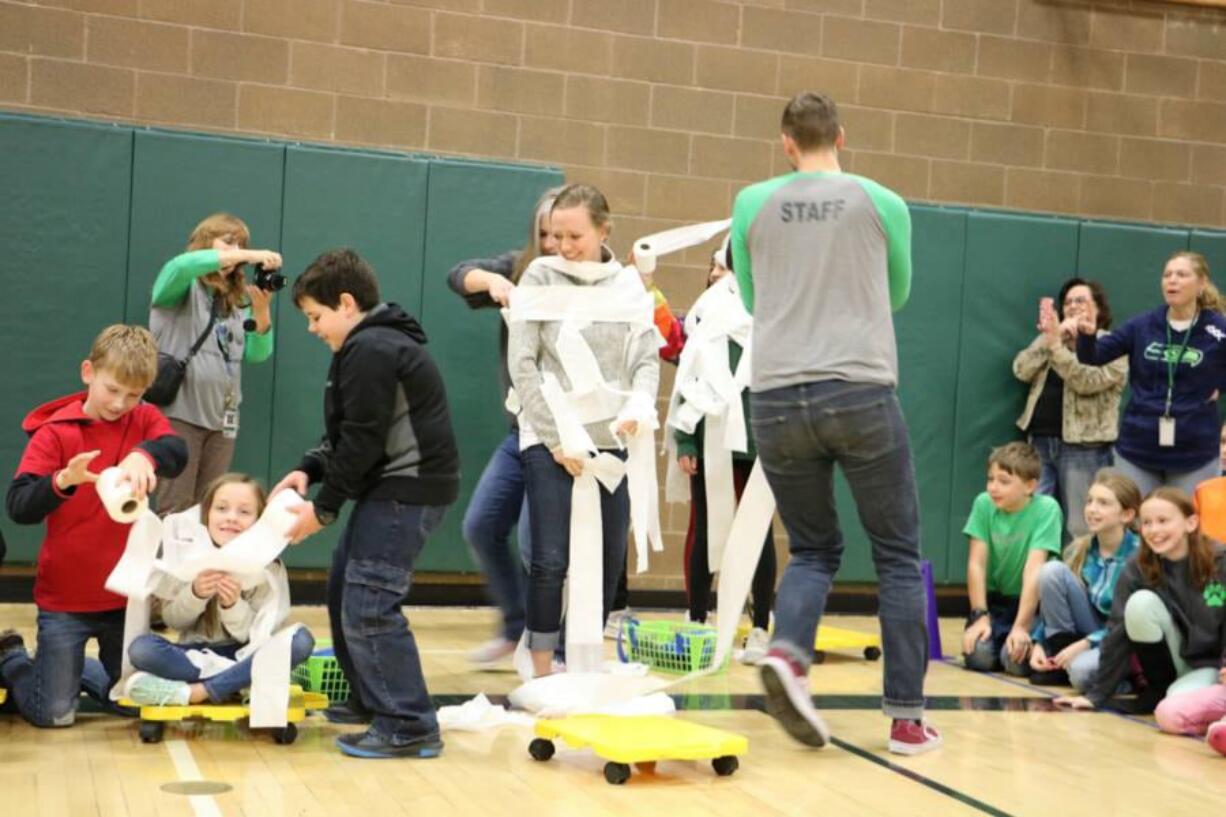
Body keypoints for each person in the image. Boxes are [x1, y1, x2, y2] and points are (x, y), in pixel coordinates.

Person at [730, 91, 939, 755]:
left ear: (786, 142)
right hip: (860, 389)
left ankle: (789, 655)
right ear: (840, 137)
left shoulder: (750, 202)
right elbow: (899, 292)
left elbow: (750, 296)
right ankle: (907, 718)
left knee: (815, 547)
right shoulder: (883, 200)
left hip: (776, 394)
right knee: (898, 554)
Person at [274, 249, 459, 759]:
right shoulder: (366, 346)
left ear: (347, 303)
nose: (312, 328)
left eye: (315, 316)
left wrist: (323, 509)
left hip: (406, 490)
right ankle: (371, 700)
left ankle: (407, 723)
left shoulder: (372, 349)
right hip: (393, 488)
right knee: (345, 590)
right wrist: (308, 468)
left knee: (370, 604)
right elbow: (349, 431)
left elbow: (362, 442)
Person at [506, 183, 660, 679]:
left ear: (603, 230)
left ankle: (584, 663)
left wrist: (638, 405)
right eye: (555, 236)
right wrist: (555, 438)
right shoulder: (539, 274)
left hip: (613, 442)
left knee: (607, 562)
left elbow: (646, 360)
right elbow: (523, 363)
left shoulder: (627, 285)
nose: (562, 246)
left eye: (574, 236)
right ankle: (543, 669)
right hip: (550, 440)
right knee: (550, 559)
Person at [0, 325, 187, 726]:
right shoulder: (56, 433)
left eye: (133, 395)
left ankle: (71, 671)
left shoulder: (145, 419)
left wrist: (144, 456)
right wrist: (62, 481)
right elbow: (18, 506)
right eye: (112, 389)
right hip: (65, 601)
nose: (120, 404)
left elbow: (177, 451)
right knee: (54, 715)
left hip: (125, 600)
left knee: (135, 703)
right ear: (88, 372)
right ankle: (12, 656)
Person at [446, 187, 559, 667]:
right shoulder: (521, 266)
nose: (554, 243)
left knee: (542, 548)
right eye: (546, 234)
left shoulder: (598, 282)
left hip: (563, 440)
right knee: (483, 525)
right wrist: (490, 283)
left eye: (564, 234)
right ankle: (515, 628)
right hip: (521, 434)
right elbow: (457, 275)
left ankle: (553, 644)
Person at [122, 473, 315, 706]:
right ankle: (238, 684)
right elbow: (175, 622)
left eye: (244, 512)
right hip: (194, 656)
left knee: (301, 640)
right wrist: (195, 594)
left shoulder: (268, 566)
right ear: (207, 514)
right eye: (222, 508)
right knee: (142, 649)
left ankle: (199, 692)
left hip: (246, 654)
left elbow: (256, 634)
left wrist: (232, 605)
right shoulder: (188, 555)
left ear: (259, 520)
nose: (231, 518)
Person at [672, 252, 775, 664]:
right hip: (711, 439)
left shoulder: (773, 312)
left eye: (724, 266)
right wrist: (685, 442)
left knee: (759, 536)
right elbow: (689, 381)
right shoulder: (706, 314)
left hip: (761, 445)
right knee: (705, 529)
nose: (716, 273)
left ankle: (760, 627)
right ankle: (698, 621)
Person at [150, 213, 281, 515]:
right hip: (181, 413)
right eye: (229, 243)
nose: (236, 252)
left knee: (209, 508)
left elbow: (257, 354)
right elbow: (182, 265)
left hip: (223, 420)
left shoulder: (234, 299)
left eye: (241, 246)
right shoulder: (181, 284)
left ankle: (204, 565)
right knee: (175, 508)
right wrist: (250, 254)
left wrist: (262, 313)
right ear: (206, 242)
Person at [1055, 488, 1226, 719]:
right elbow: (1115, 631)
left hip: (1214, 665)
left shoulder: (1219, 560)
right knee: (1139, 603)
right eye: (1147, 523)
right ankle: (1158, 689)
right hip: (1181, 660)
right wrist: (1095, 696)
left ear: (1191, 523)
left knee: (1175, 707)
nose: (1154, 530)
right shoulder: (1137, 567)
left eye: (1163, 521)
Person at [1074, 252, 1226, 496]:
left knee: (1187, 527)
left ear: (1201, 284)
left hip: (1194, 452)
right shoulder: (1143, 325)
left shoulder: (1217, 329)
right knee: (1137, 525)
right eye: (1167, 275)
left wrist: (1219, 383)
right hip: (1138, 448)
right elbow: (1092, 357)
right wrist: (1088, 335)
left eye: (1181, 275)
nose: (1172, 280)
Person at [1012, 278, 1126, 539]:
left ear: (1098, 309)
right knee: (1033, 521)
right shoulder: (1054, 340)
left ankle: (1079, 579)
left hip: (1084, 449)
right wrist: (1050, 338)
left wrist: (1055, 347)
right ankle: (1036, 579)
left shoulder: (1112, 345)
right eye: (1068, 302)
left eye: (1081, 300)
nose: (1073, 306)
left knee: (1081, 526)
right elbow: (1021, 369)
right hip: (1039, 443)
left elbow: (1086, 381)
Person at [1028, 469, 1140, 688]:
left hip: (1120, 639)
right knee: (1052, 571)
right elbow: (1053, 606)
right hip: (1086, 632)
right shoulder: (1081, 548)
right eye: (1089, 501)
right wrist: (1039, 643)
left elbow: (1124, 624)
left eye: (1103, 503)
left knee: (1081, 675)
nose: (1092, 509)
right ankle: (1059, 658)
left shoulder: (1138, 556)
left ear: (1126, 515)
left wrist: (1086, 644)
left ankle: (1125, 679)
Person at [961, 442, 1062, 676]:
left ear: (1030, 486)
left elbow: (1034, 570)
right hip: (995, 604)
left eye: (1004, 481)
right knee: (980, 658)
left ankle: (1032, 642)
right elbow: (976, 564)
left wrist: (1021, 626)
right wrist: (980, 616)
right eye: (990, 479)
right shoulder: (983, 504)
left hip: (1030, 605)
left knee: (1016, 663)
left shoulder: (1047, 509)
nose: (994, 487)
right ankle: (996, 641)